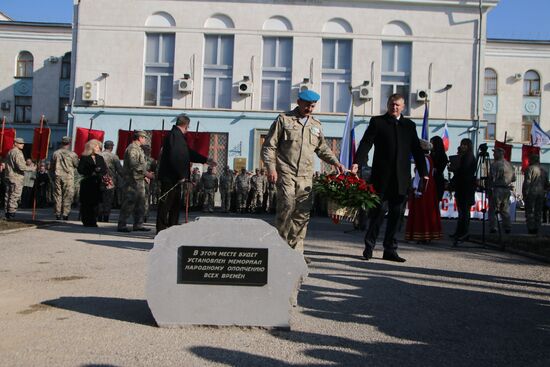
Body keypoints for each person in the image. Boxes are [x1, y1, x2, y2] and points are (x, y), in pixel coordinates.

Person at [262, 89, 345, 254]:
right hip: (286, 172)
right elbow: (269, 146)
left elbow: (322, 148)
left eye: (313, 106)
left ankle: (296, 252)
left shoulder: (316, 125)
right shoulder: (284, 120)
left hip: (306, 176)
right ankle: (281, 247)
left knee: (302, 214)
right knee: (287, 205)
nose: (310, 109)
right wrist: (271, 168)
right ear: (299, 102)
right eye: (307, 105)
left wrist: (336, 162)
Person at [354, 94, 427, 262]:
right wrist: (357, 162)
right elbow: (366, 143)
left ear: (403, 107)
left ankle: (390, 249)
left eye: (398, 105)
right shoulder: (378, 122)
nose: (395, 107)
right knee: (378, 213)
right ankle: (369, 247)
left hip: (401, 180)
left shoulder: (409, 125)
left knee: (397, 214)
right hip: (381, 179)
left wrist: (423, 171)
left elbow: (417, 149)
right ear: (387, 105)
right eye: (392, 104)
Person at [156, 114, 212, 233]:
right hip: (171, 178)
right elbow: (176, 157)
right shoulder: (175, 136)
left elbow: (187, 153)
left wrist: (205, 160)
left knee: (175, 205)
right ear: (186, 125)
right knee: (166, 205)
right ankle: (161, 230)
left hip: (174, 177)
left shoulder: (177, 136)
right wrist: (181, 175)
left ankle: (172, 229)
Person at [405, 140, 442, 243]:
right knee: (427, 211)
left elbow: (420, 175)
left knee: (421, 212)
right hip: (428, 187)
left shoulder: (423, 159)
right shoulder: (429, 159)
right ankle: (427, 234)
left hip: (423, 188)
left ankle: (421, 234)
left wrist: (417, 189)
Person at [118, 130, 154, 232]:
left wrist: (146, 174)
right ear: (140, 138)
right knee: (129, 202)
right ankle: (122, 224)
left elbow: (141, 165)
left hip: (139, 180)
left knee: (140, 203)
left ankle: (138, 224)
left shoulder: (139, 149)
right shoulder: (132, 149)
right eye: (144, 138)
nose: (145, 140)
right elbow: (134, 164)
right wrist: (147, 174)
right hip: (132, 180)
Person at [449, 138, 477, 243]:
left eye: (465, 145)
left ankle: (464, 232)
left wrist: (455, 169)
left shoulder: (468, 157)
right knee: (461, 212)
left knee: (465, 212)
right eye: (462, 144)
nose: (463, 146)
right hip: (462, 188)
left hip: (466, 188)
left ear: (469, 146)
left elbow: (464, 171)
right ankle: (459, 231)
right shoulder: (464, 156)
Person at [78, 139, 107, 227]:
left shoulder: (100, 158)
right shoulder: (84, 157)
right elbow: (80, 169)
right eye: (97, 146)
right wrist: (91, 171)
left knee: (96, 203)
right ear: (92, 147)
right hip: (87, 182)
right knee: (86, 203)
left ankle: (93, 220)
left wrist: (99, 171)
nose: (99, 148)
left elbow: (104, 169)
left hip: (97, 183)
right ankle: (86, 220)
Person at [488, 147, 516, 234]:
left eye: (495, 152)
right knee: (505, 210)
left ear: (499, 153)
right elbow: (514, 178)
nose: (493, 154)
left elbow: (492, 177)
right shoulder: (510, 165)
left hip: (497, 189)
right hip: (506, 189)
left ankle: (494, 227)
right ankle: (507, 227)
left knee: (493, 209)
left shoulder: (495, 164)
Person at [50, 136, 79, 220]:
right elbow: (77, 165)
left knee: (57, 195)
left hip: (57, 175)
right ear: (69, 143)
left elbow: (51, 167)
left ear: (62, 142)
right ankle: (65, 213)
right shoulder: (72, 154)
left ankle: (57, 213)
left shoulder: (55, 153)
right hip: (68, 176)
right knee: (68, 195)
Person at [3, 138, 31, 219]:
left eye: (23, 143)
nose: (23, 145)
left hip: (9, 176)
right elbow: (21, 167)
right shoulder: (17, 152)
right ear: (15, 143)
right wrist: (32, 168)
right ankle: (11, 213)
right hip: (16, 177)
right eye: (20, 143)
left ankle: (7, 212)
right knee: (14, 196)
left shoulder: (10, 151)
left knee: (8, 195)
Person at [522, 154, 549, 235]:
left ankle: (531, 228)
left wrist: (525, 194)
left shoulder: (530, 169)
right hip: (541, 193)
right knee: (538, 211)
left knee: (530, 211)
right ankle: (537, 228)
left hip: (531, 192)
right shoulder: (544, 170)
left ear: (532, 160)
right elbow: (547, 184)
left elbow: (527, 182)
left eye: (530, 160)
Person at [99, 140, 123, 222]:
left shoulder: (99, 155)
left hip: (99, 180)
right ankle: (106, 216)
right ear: (112, 147)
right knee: (108, 199)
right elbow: (120, 170)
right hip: (110, 181)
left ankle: (99, 216)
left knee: (100, 198)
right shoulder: (114, 157)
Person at [430, 136, 449, 204]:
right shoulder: (431, 154)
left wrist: (433, 168)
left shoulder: (442, 156)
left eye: (432, 143)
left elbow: (440, 169)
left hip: (437, 181)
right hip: (430, 181)